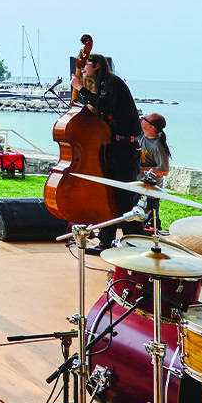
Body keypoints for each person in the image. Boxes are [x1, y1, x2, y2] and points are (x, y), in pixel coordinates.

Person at [69, 50, 141, 252]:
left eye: (86, 64)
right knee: (107, 197)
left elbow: (103, 108)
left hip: (125, 149)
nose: (82, 68)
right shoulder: (101, 86)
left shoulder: (113, 83)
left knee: (124, 198)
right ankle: (105, 242)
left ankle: (135, 243)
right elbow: (97, 109)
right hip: (112, 147)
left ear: (97, 65)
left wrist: (80, 88)